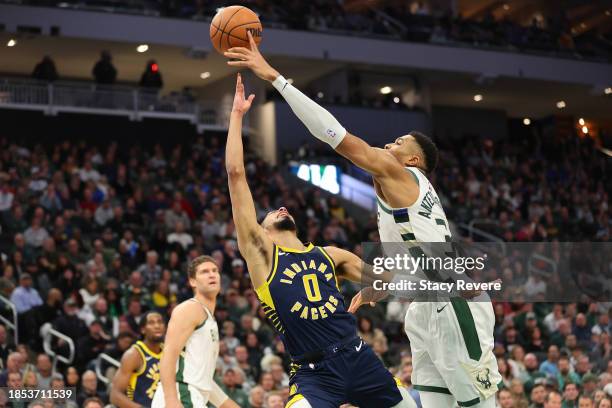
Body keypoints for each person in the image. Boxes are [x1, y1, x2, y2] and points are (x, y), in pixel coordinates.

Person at [227, 33, 500, 408]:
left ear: (413, 161)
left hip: (450, 301)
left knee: (479, 405)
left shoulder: (399, 173)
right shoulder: (399, 193)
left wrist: (275, 78)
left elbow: (333, 135)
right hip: (423, 305)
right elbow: (413, 255)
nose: (390, 145)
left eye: (401, 141)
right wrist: (381, 283)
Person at [225, 73, 415, 408]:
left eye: (283, 207)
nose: (280, 208)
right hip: (314, 373)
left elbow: (391, 279)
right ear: (264, 227)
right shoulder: (262, 253)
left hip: (359, 358)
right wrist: (237, 117)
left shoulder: (331, 255)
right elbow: (236, 174)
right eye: (271, 212)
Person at [153, 256, 239, 408]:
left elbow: (202, 380)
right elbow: (168, 355)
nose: (212, 274)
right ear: (193, 282)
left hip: (192, 395)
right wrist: (171, 400)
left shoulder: (209, 318)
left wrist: (229, 405)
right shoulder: (191, 309)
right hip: (182, 394)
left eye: (215, 271)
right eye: (205, 272)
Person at [111, 311, 166, 407]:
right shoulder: (134, 355)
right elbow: (115, 396)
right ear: (143, 330)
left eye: (160, 322)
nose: (157, 326)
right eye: (151, 323)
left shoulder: (168, 351)